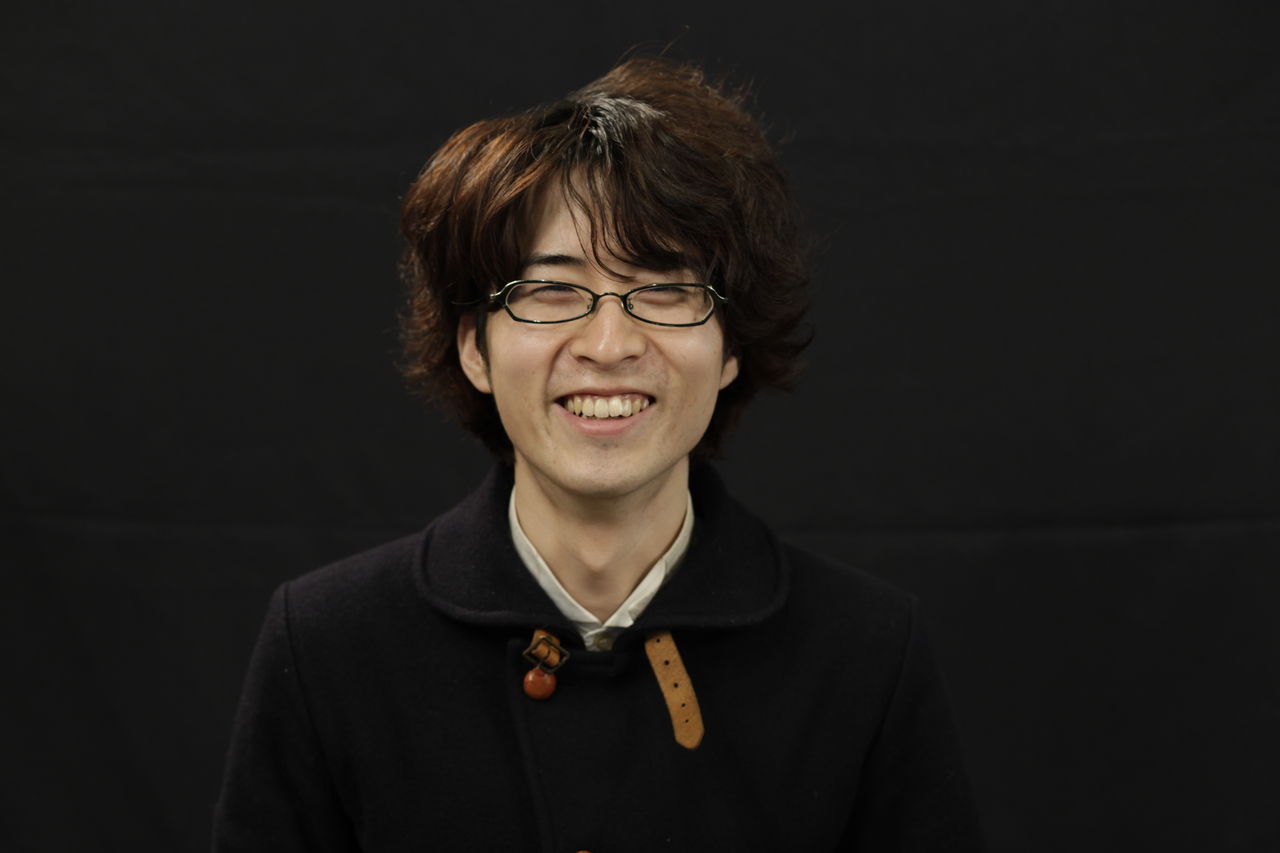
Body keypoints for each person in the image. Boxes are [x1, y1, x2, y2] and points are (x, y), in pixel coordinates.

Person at [213, 57, 983, 852]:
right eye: (552, 290)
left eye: (664, 288)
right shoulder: (328, 644)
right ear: (474, 347)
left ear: (731, 348)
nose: (609, 344)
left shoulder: (865, 652)